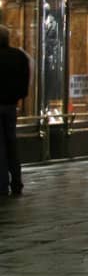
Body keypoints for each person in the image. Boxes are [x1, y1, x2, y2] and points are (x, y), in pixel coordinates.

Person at [0, 27, 29, 196]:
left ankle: (2, 184)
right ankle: (16, 181)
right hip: (11, 105)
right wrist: (18, 96)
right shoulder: (19, 56)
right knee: (11, 142)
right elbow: (25, 79)